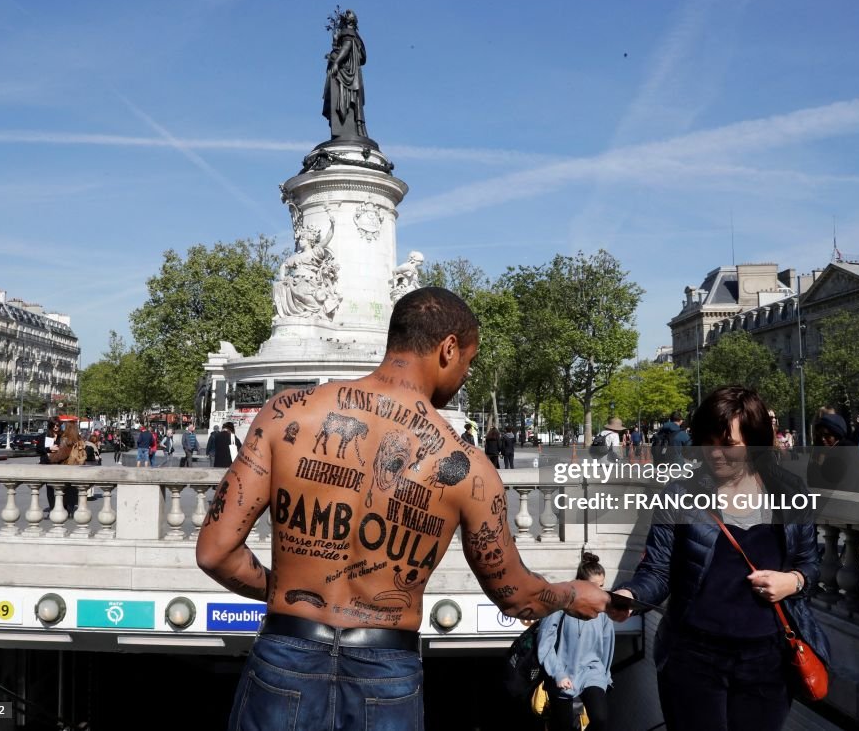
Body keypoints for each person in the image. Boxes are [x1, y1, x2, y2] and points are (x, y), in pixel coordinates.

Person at [196, 287, 610, 731]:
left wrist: (290, 591)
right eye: (468, 362)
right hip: (386, 673)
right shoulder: (469, 468)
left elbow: (215, 552)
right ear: (449, 348)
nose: (465, 376)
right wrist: (573, 594)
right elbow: (515, 595)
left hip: (284, 655)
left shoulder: (286, 412)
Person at [609, 386, 829, 731]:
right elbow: (657, 570)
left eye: (728, 445)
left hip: (768, 660)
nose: (715, 454)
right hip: (694, 660)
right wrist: (630, 595)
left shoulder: (790, 492)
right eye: (708, 441)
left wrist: (793, 581)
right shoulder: (679, 495)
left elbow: (811, 564)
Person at [539, 552, 616, 731]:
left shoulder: (604, 608)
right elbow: (545, 642)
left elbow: (608, 645)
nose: (600, 592)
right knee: (563, 726)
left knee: (600, 719)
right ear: (581, 584)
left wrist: (605, 676)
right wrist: (557, 673)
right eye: (594, 587)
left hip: (592, 671)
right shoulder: (559, 603)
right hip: (563, 671)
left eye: (602, 586)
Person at [322, 9, 368, 140]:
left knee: (350, 102)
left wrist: (336, 62)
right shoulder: (356, 36)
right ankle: (358, 127)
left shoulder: (348, 33)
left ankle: (352, 128)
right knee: (356, 104)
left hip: (346, 73)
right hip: (353, 73)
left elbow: (346, 48)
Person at [806, 413, 859, 494]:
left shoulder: (848, 450)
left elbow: (848, 485)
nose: (823, 439)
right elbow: (812, 481)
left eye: (827, 435)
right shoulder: (822, 451)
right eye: (820, 435)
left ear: (837, 435)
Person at [48, 422, 86, 515]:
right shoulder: (78, 439)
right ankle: (71, 508)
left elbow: (61, 455)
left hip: (65, 467)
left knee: (65, 489)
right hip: (75, 467)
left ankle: (66, 509)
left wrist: (51, 457)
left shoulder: (66, 440)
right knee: (72, 489)